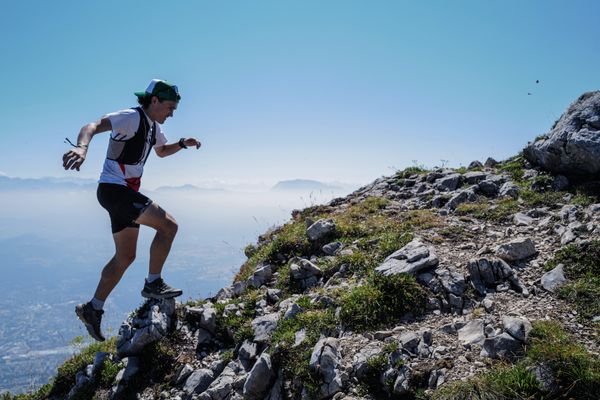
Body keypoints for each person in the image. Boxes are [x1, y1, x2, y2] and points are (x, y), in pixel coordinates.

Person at [62, 79, 200, 342]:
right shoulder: (130, 117)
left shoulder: (153, 127)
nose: (172, 113)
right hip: (116, 191)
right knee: (169, 225)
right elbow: (91, 126)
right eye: (170, 107)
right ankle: (153, 283)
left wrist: (182, 143)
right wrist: (81, 147)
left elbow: (160, 152)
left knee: (125, 257)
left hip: (120, 194)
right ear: (155, 101)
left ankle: (93, 308)